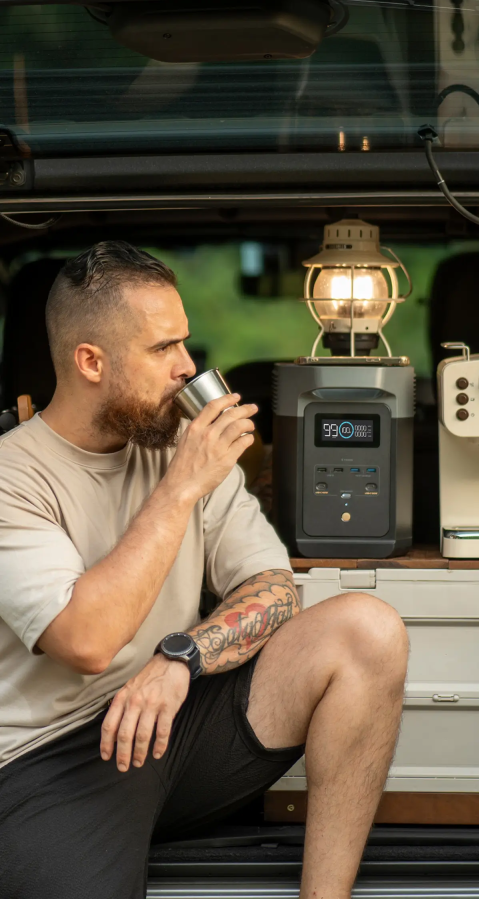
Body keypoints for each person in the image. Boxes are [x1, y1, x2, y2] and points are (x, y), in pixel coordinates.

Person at [0, 241, 408, 899]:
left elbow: (274, 591)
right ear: (91, 361)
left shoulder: (180, 449)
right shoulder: (13, 476)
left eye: (185, 343)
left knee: (368, 629)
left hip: (175, 722)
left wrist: (181, 657)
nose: (189, 367)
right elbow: (86, 641)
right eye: (164, 349)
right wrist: (181, 489)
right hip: (49, 760)